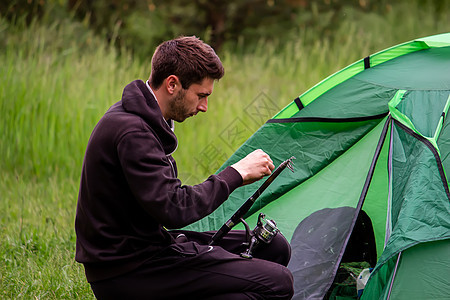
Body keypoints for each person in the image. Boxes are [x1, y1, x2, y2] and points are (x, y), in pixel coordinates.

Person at [75, 36, 294, 299]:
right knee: (278, 283)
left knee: (273, 247)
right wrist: (236, 174)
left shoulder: (144, 119)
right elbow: (174, 207)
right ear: (172, 84)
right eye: (201, 95)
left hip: (148, 246)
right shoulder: (133, 132)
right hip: (128, 270)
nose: (204, 107)